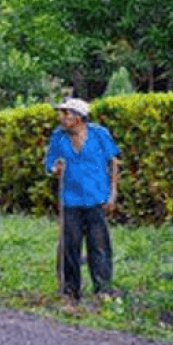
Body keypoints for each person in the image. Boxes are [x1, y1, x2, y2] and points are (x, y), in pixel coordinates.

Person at [45, 97, 120, 302]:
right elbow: (50, 162)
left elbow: (113, 163)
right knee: (70, 246)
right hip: (71, 200)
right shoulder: (58, 137)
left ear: (78, 118)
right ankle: (71, 291)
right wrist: (55, 168)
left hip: (96, 198)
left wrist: (112, 194)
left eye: (65, 114)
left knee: (99, 246)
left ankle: (103, 289)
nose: (61, 118)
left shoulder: (99, 134)